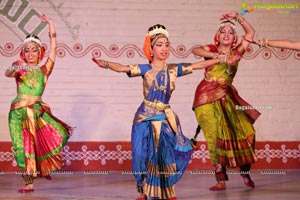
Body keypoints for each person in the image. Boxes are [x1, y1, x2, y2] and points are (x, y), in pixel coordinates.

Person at [92, 24, 240, 200]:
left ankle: (168, 191)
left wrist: (219, 60)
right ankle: (142, 190)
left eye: (166, 44)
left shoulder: (173, 69)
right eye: (160, 44)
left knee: (165, 155)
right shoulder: (144, 69)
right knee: (140, 155)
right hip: (144, 117)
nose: (164, 48)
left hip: (164, 117)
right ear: (152, 49)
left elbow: (198, 64)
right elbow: (123, 67)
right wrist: (106, 64)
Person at [192, 11, 260, 191]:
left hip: (227, 96)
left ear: (235, 37)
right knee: (214, 137)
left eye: (231, 32)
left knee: (247, 131)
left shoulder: (237, 52)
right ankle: (220, 180)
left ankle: (245, 171)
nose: (227, 35)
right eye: (223, 32)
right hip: (205, 97)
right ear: (218, 36)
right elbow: (195, 49)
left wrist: (238, 17)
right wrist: (216, 57)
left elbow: (251, 34)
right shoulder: (210, 50)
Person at [5, 14, 73, 193]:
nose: (30, 54)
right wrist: (16, 67)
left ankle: (43, 168)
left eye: (34, 50)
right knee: (21, 148)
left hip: (35, 111)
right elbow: (8, 73)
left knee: (47, 140)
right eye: (26, 50)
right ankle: (28, 183)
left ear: (39, 52)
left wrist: (50, 24)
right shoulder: (19, 66)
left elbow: (54, 49)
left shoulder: (44, 70)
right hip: (17, 112)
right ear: (23, 53)